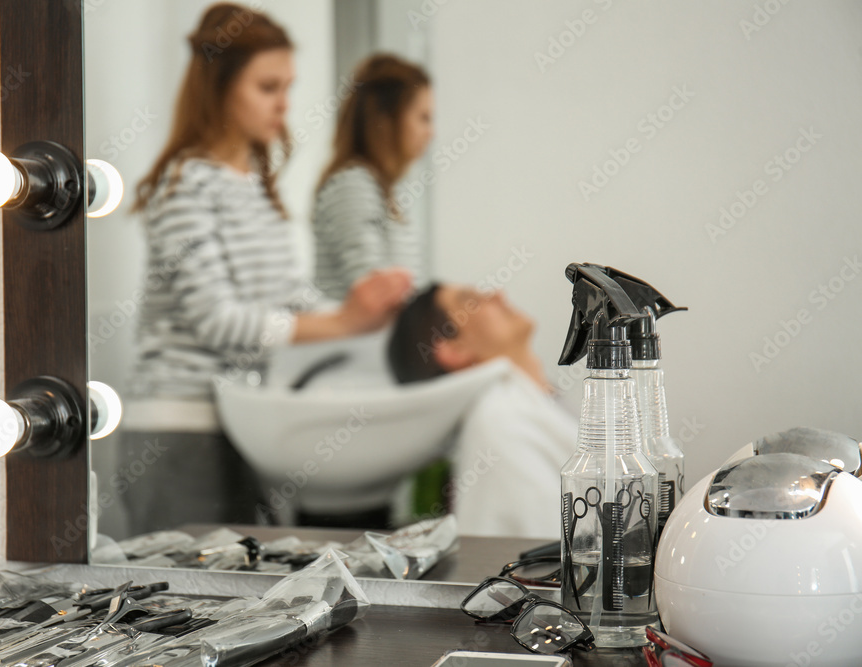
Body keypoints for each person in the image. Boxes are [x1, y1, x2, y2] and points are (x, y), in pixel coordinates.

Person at [119, 3, 411, 535]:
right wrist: (344, 323)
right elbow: (220, 323)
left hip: (241, 421)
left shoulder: (252, 182)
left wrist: (365, 310)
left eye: (288, 87)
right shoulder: (186, 186)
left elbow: (286, 297)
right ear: (219, 88)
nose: (284, 104)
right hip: (180, 430)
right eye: (268, 87)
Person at [387, 283, 577, 539]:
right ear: (455, 350)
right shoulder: (500, 425)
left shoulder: (543, 404)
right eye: (473, 300)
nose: (499, 294)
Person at [311, 54, 432, 301]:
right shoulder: (352, 186)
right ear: (386, 119)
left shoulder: (379, 189)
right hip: (360, 341)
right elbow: (375, 292)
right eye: (423, 118)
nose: (430, 132)